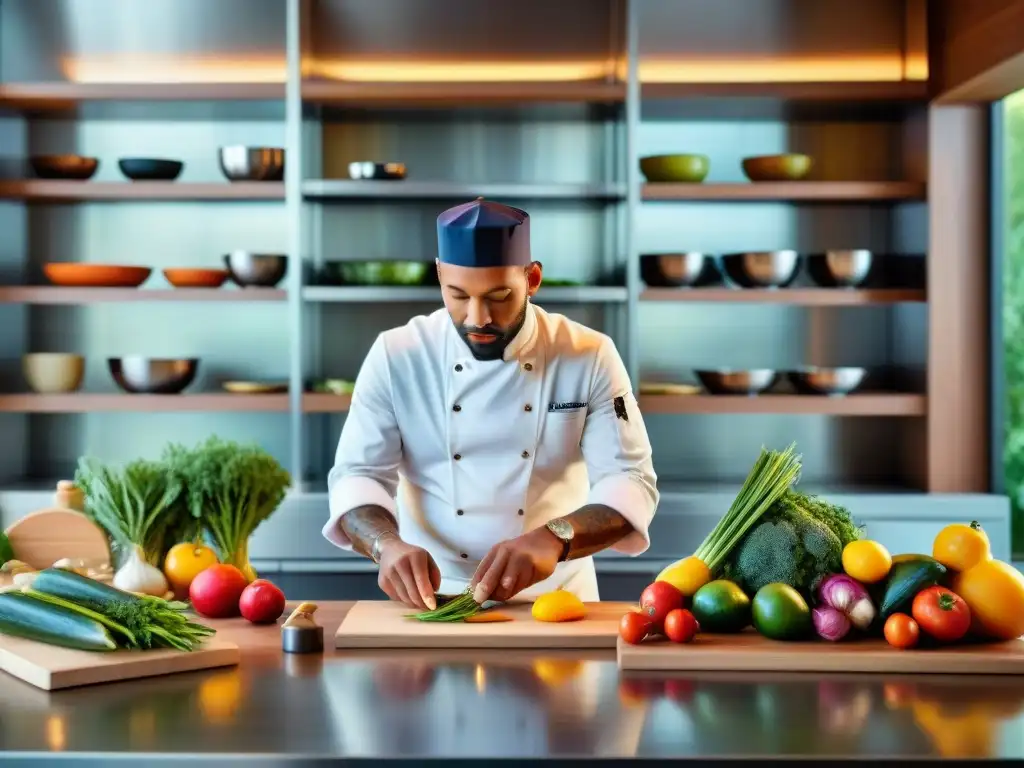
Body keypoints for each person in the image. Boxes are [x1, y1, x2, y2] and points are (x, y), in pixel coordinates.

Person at [322, 198, 658, 609]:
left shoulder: (588, 354)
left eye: (499, 296)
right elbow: (358, 475)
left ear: (532, 279)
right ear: (440, 275)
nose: (477, 317)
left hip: (556, 600)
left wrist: (555, 537)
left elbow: (630, 480)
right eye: (457, 295)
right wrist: (385, 546)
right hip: (433, 595)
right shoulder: (397, 355)